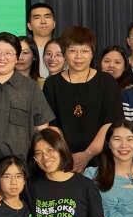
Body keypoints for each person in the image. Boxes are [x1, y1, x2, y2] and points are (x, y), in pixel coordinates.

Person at [0, 33, 55, 176]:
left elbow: (42, 128)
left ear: (16, 57)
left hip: (21, 171)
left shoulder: (30, 88)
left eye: (8, 53)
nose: (2, 58)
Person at [42, 26, 125, 172]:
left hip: (101, 159)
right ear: (64, 54)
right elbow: (53, 125)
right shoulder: (52, 84)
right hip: (64, 160)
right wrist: (67, 156)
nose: (78, 56)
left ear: (92, 53)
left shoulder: (107, 82)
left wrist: (87, 154)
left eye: (85, 51)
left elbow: (110, 123)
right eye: (72, 51)